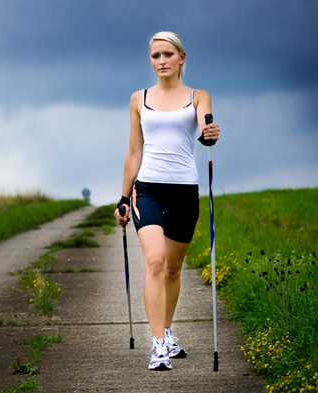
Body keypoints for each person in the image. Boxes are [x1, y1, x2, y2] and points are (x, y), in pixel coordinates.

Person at [114, 31, 220, 370]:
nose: (161, 61)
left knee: (173, 269)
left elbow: (206, 130)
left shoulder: (198, 95)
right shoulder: (138, 98)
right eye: (155, 56)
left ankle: (168, 333)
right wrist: (122, 197)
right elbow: (134, 151)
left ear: (181, 58)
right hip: (147, 189)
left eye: (167, 55)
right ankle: (158, 343)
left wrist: (210, 134)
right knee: (155, 262)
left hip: (184, 190)